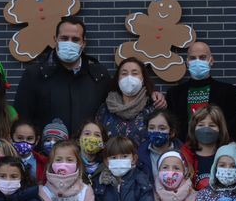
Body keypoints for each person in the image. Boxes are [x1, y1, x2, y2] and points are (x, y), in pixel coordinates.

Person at [14, 17, 167, 135]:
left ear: (83, 43)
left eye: (75, 39)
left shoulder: (98, 75)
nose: (69, 43)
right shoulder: (35, 75)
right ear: (55, 40)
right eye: (64, 38)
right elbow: (22, 120)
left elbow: (123, 99)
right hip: (48, 158)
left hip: (90, 157)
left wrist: (151, 93)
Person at [166, 41, 236, 146]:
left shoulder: (228, 91)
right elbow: (171, 128)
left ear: (211, 61)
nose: (197, 61)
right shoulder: (174, 94)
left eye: (202, 57)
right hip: (184, 153)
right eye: (193, 58)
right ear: (187, 62)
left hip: (218, 153)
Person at [95, 57, 158, 146]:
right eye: (124, 73)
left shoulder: (152, 108)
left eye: (135, 73)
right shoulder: (105, 109)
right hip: (111, 158)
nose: (129, 77)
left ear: (143, 79)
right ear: (118, 79)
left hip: (143, 159)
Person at [137, 109, 195, 181]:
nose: (156, 131)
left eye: (162, 128)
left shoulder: (184, 154)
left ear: (172, 132)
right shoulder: (140, 155)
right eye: (151, 128)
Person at [186, 104, 231, 190]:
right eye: (201, 125)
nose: (206, 129)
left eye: (212, 125)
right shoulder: (184, 155)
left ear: (220, 129)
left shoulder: (229, 156)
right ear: (193, 128)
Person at [11, 118, 47, 184]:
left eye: (29, 139)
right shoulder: (4, 160)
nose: (24, 142)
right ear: (11, 138)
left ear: (37, 140)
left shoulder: (44, 162)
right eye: (20, 138)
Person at [77, 121, 108, 186]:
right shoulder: (71, 164)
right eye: (87, 134)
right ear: (78, 140)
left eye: (97, 135)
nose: (91, 139)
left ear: (103, 143)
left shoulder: (108, 167)